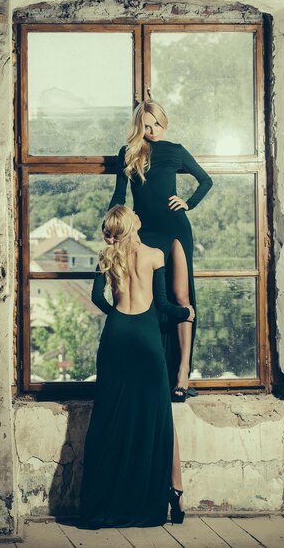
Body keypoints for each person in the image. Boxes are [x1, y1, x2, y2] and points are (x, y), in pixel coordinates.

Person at [78, 205, 195, 529]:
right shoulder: (155, 255)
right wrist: (185, 314)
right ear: (134, 224)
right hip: (145, 338)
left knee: (110, 417)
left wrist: (117, 314)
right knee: (153, 416)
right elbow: (162, 305)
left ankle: (105, 505)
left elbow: (97, 298)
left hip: (116, 337)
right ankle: (150, 503)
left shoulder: (107, 256)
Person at [107, 100, 213, 402]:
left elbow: (206, 180)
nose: (153, 131)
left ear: (165, 123)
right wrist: (112, 229)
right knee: (151, 300)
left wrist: (188, 203)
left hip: (176, 229)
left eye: (158, 124)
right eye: (148, 125)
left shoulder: (176, 150)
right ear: (140, 125)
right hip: (145, 233)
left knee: (181, 298)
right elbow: (119, 195)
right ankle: (152, 373)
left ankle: (182, 373)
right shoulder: (128, 154)